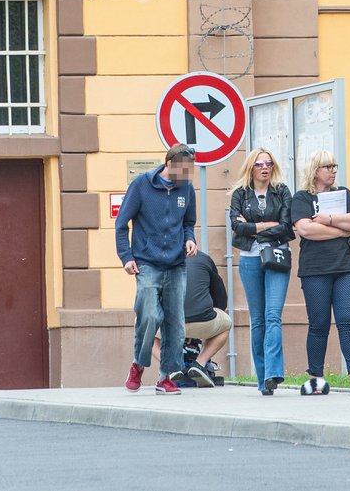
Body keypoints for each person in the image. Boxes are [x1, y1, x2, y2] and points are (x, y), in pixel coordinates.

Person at [291, 150, 350, 396]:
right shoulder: (302, 198)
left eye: (334, 166)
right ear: (315, 170)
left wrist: (328, 218)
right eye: (327, 166)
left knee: (348, 322)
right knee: (318, 324)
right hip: (315, 271)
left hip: (345, 268)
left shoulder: (343, 194)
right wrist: (342, 230)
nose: (333, 170)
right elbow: (306, 230)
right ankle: (316, 377)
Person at [116, 143, 198, 395]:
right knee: (150, 315)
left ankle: (165, 377)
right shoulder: (141, 185)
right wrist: (126, 257)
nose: (187, 176)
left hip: (176, 264)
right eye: (183, 170)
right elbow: (121, 224)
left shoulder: (186, 188)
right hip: (146, 263)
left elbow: (189, 222)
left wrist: (189, 238)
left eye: (190, 171)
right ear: (170, 164)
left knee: (176, 323)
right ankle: (138, 365)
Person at [230, 148, 295, 396]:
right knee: (257, 320)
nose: (265, 168)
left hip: (277, 257)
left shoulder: (282, 192)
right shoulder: (240, 194)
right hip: (249, 260)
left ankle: (273, 373)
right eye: (259, 164)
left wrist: (255, 227)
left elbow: (287, 227)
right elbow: (236, 226)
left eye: (269, 163)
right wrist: (270, 225)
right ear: (251, 168)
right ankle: (262, 380)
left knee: (272, 316)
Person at [181, 250, 232, 388]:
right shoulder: (203, 258)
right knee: (226, 323)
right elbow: (220, 297)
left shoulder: (159, 257)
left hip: (171, 322)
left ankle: (171, 367)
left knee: (141, 324)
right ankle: (200, 363)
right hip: (202, 319)